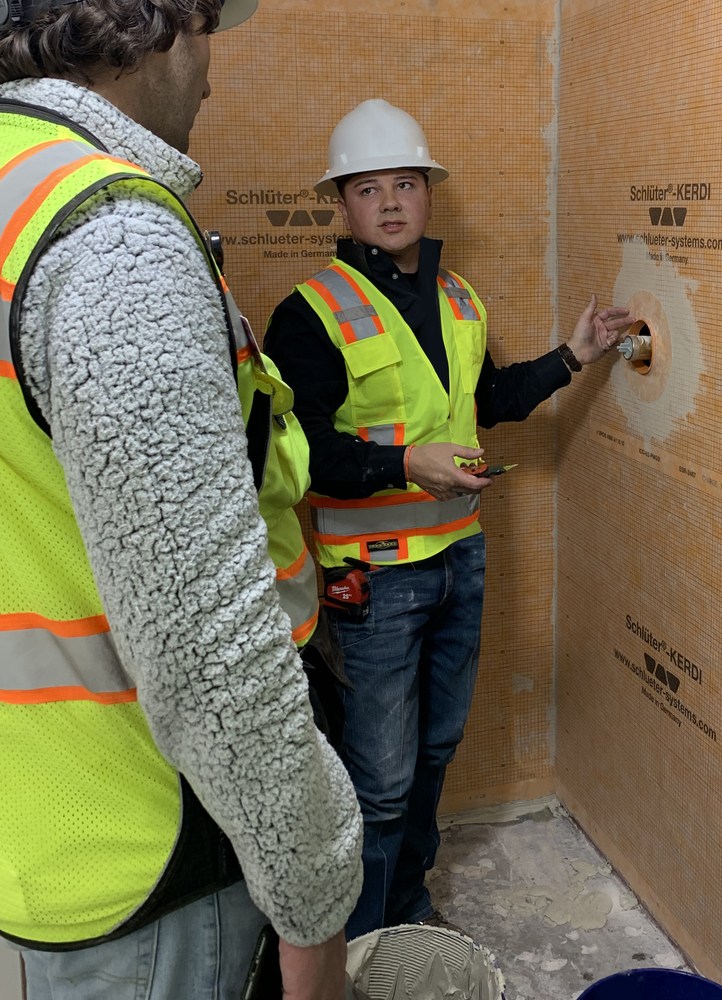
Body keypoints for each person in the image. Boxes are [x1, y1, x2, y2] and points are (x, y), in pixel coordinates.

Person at [0, 3, 362, 999]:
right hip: (153, 850)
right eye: (208, 30)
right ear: (150, 26)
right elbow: (211, 653)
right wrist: (314, 907)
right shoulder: (106, 231)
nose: (210, 76)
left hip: (39, 829)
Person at [264, 98, 635, 940]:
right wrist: (403, 464)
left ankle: (407, 905)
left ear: (428, 193)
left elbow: (486, 403)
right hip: (374, 580)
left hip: (458, 556)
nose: (391, 202)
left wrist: (572, 355)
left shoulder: (459, 300)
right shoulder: (310, 312)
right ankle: (361, 938)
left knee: (436, 750)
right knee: (382, 776)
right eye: (368, 189)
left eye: (406, 183)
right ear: (343, 204)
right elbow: (299, 456)